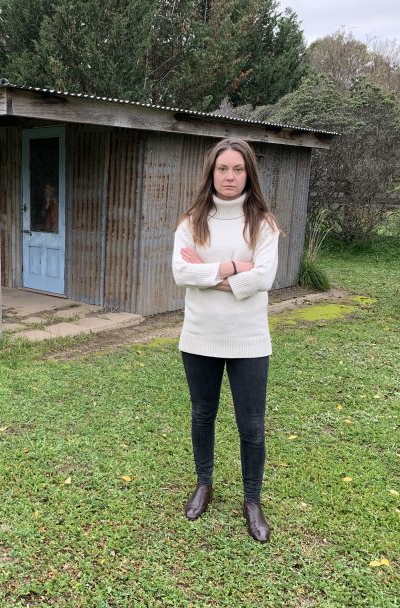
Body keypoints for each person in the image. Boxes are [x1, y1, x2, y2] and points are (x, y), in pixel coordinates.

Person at [171, 138, 280, 543]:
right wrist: (235, 268)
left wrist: (210, 275)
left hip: (249, 339)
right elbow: (181, 272)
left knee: (251, 425)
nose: (229, 176)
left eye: (237, 169)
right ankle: (204, 484)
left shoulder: (263, 224)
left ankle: (252, 501)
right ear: (211, 173)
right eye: (222, 169)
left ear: (248, 172)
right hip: (199, 335)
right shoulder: (192, 221)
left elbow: (264, 278)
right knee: (203, 414)